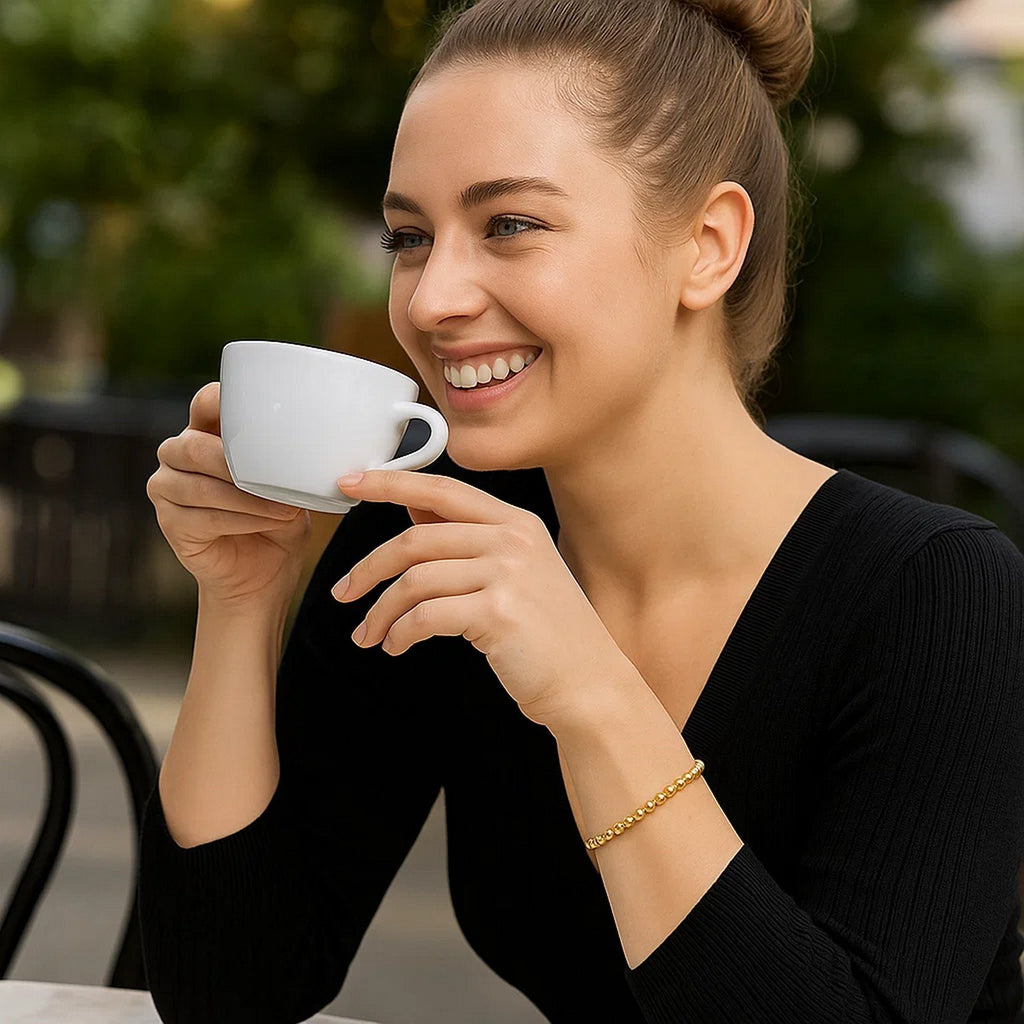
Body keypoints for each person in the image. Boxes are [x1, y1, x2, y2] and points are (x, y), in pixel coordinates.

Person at [138, 1, 1024, 1021]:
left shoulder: (937, 594)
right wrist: (240, 598)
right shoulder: (434, 542)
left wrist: (591, 697)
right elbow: (229, 989)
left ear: (706, 243)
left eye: (509, 223)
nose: (429, 300)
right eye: (409, 236)